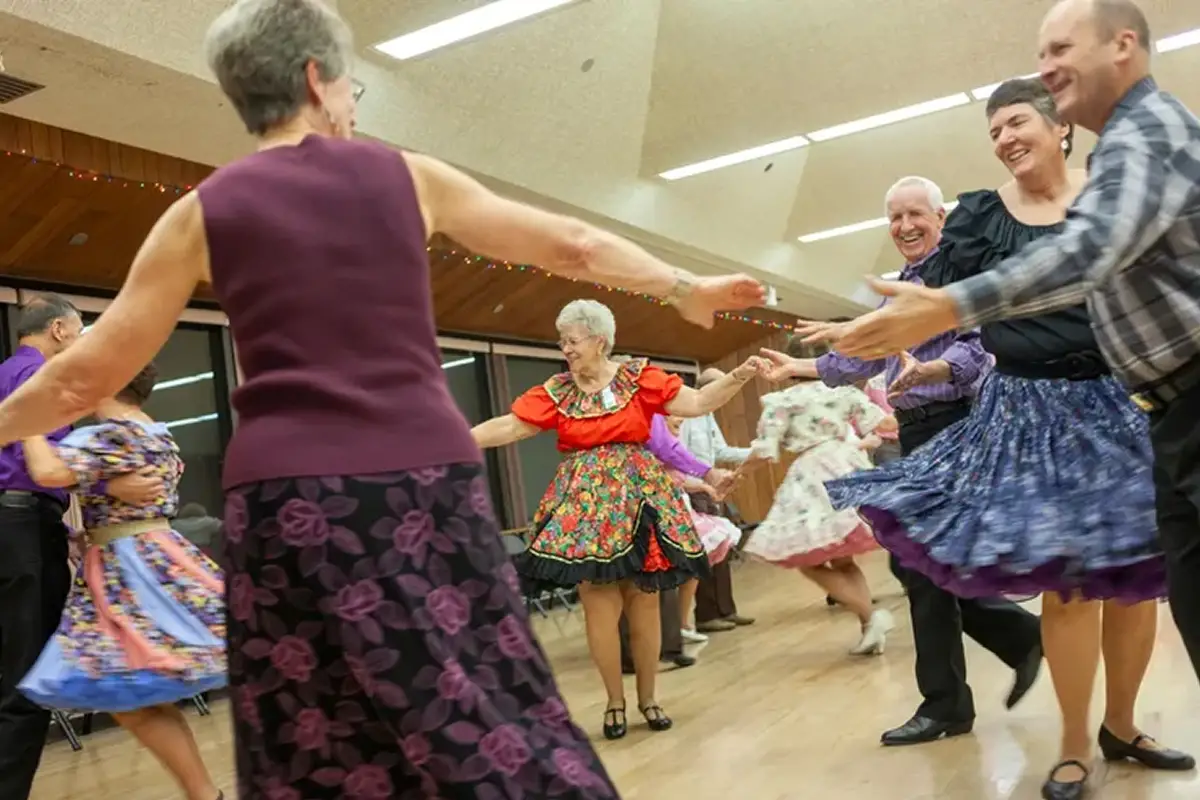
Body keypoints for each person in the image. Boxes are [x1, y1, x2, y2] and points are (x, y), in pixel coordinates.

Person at [0, 1, 765, 795]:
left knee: (314, 721)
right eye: (351, 85)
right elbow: (570, 244)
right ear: (315, 79)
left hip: (279, 498)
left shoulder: (199, 213)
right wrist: (681, 284)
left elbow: (82, 377)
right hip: (415, 482)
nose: (354, 103)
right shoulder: (403, 177)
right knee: (479, 699)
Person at [808, 0, 1200, 710]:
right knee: (1074, 584)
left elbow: (1084, 255)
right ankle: (1073, 735)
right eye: (994, 130)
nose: (1006, 137)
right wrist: (841, 345)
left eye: (1018, 119)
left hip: (1137, 408)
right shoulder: (994, 213)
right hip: (1048, 414)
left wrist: (952, 309)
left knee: (1145, 578)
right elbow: (923, 294)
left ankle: (1120, 723)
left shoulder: (1128, 159)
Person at [760, 178, 1043, 746]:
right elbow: (863, 356)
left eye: (916, 214)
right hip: (918, 431)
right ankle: (1013, 642)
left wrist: (934, 370)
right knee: (918, 565)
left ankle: (950, 699)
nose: (905, 226)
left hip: (955, 425)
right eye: (895, 217)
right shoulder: (901, 287)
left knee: (920, 564)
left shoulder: (958, 272)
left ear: (941, 217)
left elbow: (977, 345)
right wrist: (798, 369)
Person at [471, 299, 766, 739]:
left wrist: (740, 374)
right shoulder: (558, 391)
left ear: (599, 341)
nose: (565, 349)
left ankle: (648, 697)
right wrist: (457, 440)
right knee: (598, 604)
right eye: (562, 341)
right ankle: (614, 700)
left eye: (572, 340)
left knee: (644, 602)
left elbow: (699, 401)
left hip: (639, 497)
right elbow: (511, 426)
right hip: (586, 504)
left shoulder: (638, 379)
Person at [19, 363, 226, 800]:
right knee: (135, 694)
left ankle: (205, 794)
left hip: (129, 567)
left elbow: (48, 472)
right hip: (155, 553)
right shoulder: (155, 432)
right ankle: (205, 794)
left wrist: (29, 423)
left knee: (127, 692)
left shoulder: (110, 435)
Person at [0, 294, 160, 800]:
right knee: (25, 677)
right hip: (23, 526)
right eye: (79, 332)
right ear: (60, 331)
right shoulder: (40, 377)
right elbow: (45, 466)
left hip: (15, 525)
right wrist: (113, 484)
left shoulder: (5, 372)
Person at [744, 337, 897, 655]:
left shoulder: (783, 400)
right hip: (848, 464)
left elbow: (764, 449)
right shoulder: (844, 393)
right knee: (843, 560)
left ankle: (871, 617)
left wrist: (737, 474)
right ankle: (869, 628)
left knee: (809, 563)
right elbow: (883, 423)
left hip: (814, 472)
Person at [676, 372, 762, 634]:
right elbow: (680, 455)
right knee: (706, 553)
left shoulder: (709, 415)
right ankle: (706, 615)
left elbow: (720, 451)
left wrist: (755, 452)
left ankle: (726, 610)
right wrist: (704, 479)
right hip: (694, 488)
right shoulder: (687, 414)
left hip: (712, 487)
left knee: (722, 550)